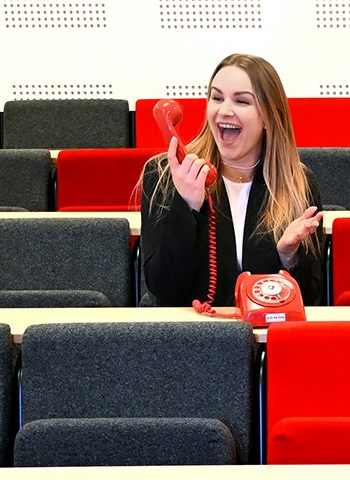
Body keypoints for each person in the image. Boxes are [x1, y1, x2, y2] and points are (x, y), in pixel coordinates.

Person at [138, 54, 325, 307]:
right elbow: (164, 290)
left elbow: (311, 299)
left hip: (267, 336)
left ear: (269, 117)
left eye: (241, 101)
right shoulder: (165, 174)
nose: (224, 110)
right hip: (192, 337)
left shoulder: (297, 184)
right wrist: (187, 208)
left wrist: (288, 257)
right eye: (216, 98)